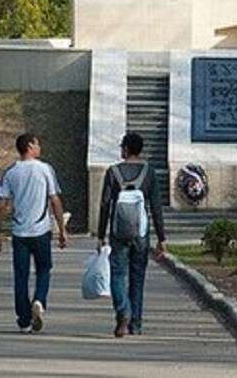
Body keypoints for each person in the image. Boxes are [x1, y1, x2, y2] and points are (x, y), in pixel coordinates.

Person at [0, 132, 68, 333]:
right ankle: (39, 300)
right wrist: (62, 229)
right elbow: (54, 200)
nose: (39, 147)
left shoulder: (11, 172)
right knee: (43, 269)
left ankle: (24, 319)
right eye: (37, 144)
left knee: (21, 276)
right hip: (41, 229)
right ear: (30, 146)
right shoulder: (45, 169)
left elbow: (1, 204)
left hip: (20, 232)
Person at [97, 132, 167, 337]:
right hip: (141, 233)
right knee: (138, 278)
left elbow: (105, 205)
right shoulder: (149, 172)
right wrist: (162, 238)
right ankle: (135, 324)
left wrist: (101, 234)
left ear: (126, 149)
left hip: (118, 232)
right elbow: (156, 207)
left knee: (117, 275)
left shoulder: (113, 172)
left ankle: (123, 311)